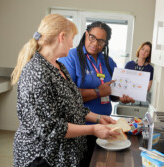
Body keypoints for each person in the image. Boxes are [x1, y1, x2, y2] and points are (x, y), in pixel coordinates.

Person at [11, 14, 119, 167]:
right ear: (62, 37)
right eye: (72, 38)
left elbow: (72, 105)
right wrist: (93, 129)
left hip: (64, 155)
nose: (72, 44)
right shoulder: (37, 71)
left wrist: (98, 118)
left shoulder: (58, 67)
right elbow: (50, 127)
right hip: (42, 157)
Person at [58, 21, 134, 165]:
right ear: (86, 34)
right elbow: (67, 95)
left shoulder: (108, 61)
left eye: (101, 41)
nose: (95, 43)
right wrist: (98, 92)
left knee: (96, 163)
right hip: (80, 128)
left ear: (106, 43)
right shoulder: (71, 57)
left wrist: (120, 97)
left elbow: (112, 92)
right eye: (92, 37)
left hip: (103, 125)